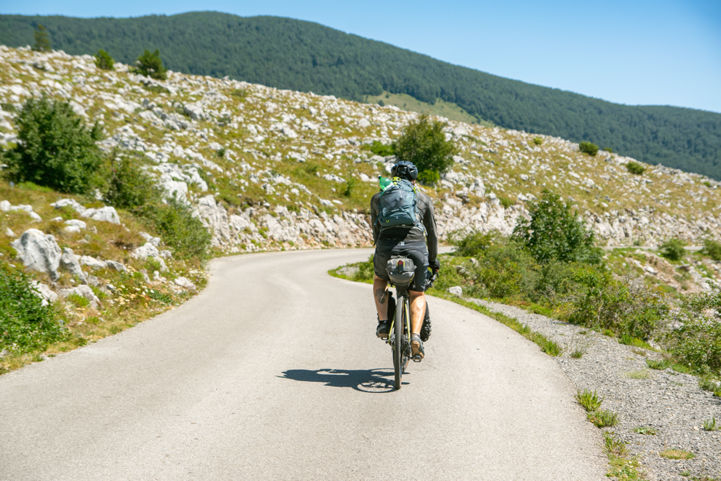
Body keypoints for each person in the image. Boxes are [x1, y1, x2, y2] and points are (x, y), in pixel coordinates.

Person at [370, 160, 439, 360]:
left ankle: (383, 322)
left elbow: (376, 229)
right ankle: (416, 337)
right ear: (414, 180)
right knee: (417, 292)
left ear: (394, 177)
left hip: (386, 247)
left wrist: (381, 248)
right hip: (415, 246)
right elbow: (432, 234)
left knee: (379, 280)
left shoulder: (379, 198)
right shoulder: (423, 199)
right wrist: (433, 261)